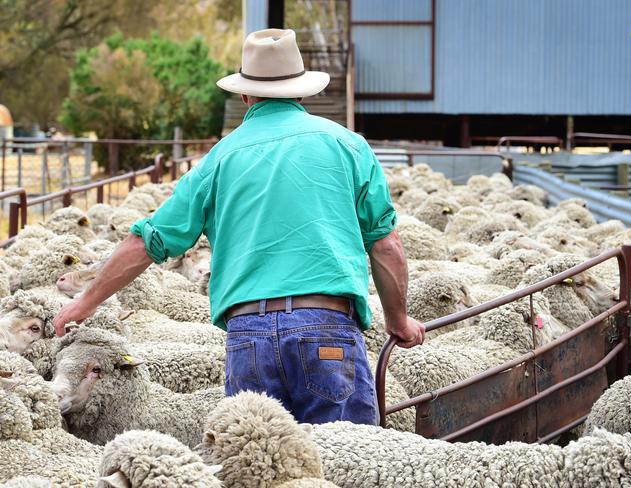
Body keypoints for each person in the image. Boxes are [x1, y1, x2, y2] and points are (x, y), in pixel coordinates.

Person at [52, 28, 425, 425]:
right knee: (345, 463)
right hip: (325, 328)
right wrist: (397, 319)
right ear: (302, 92)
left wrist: (84, 303)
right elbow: (386, 246)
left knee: (254, 465)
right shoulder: (348, 146)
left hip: (250, 337)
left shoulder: (218, 159)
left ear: (244, 95)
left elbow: (148, 241)